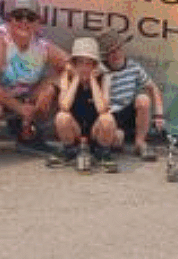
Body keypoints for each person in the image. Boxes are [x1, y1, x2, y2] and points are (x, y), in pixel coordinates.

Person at [0, 0, 66, 156]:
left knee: (56, 88)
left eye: (30, 18)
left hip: (15, 95)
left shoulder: (42, 46)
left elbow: (73, 65)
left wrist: (52, 86)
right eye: (18, 16)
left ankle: (28, 136)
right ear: (9, 19)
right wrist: (19, 108)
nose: (24, 22)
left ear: (37, 23)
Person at [46, 38, 119, 171]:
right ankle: (69, 150)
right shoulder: (66, 77)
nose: (84, 67)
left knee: (107, 119)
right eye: (80, 62)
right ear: (74, 64)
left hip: (96, 130)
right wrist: (76, 79)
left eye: (89, 63)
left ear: (95, 65)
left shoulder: (104, 77)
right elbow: (64, 106)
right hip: (75, 129)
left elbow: (102, 109)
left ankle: (102, 153)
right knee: (62, 117)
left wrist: (92, 81)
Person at [96, 30, 165, 161]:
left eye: (118, 49)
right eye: (111, 52)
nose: (116, 54)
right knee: (117, 140)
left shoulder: (133, 66)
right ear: (105, 55)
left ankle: (140, 143)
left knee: (143, 99)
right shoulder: (99, 70)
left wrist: (159, 114)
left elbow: (153, 88)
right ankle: (114, 140)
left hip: (129, 112)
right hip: (110, 114)